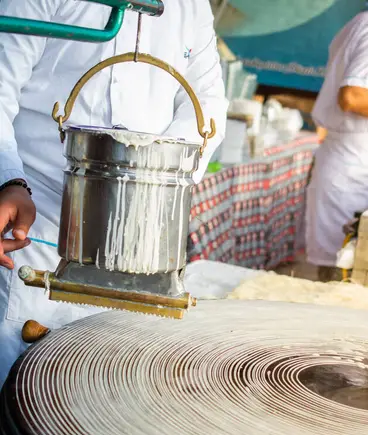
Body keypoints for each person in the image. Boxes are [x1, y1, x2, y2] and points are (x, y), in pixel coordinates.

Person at [0, 0, 227, 386]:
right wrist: (9, 180)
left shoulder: (190, 6)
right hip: (38, 217)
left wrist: (153, 188)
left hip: (141, 233)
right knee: (21, 384)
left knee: (108, 380)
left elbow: (207, 107)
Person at [306, 0, 368, 281]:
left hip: (353, 161)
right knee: (340, 270)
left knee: (341, 266)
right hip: (351, 164)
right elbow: (354, 96)